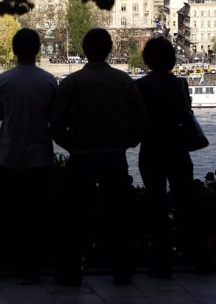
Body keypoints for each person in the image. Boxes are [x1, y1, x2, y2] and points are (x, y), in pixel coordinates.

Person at [51, 28, 146, 286]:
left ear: (84, 51)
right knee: (118, 219)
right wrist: (126, 143)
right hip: (114, 158)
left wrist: (73, 145)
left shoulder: (71, 84)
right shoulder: (124, 81)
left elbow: (56, 125)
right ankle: (122, 272)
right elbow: (140, 120)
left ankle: (71, 272)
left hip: (81, 158)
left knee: (76, 218)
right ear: (110, 50)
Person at [0, 27, 57, 283]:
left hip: (9, 156)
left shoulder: (3, 81)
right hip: (40, 158)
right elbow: (53, 118)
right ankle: (30, 269)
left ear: (13, 51)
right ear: (38, 50)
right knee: (36, 217)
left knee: (1, 216)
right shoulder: (49, 81)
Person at [134, 37, 196, 279]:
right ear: (172, 59)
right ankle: (194, 255)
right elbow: (185, 114)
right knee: (185, 203)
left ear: (147, 59)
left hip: (151, 150)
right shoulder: (180, 85)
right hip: (178, 150)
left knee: (156, 205)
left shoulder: (140, 86)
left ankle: (161, 262)